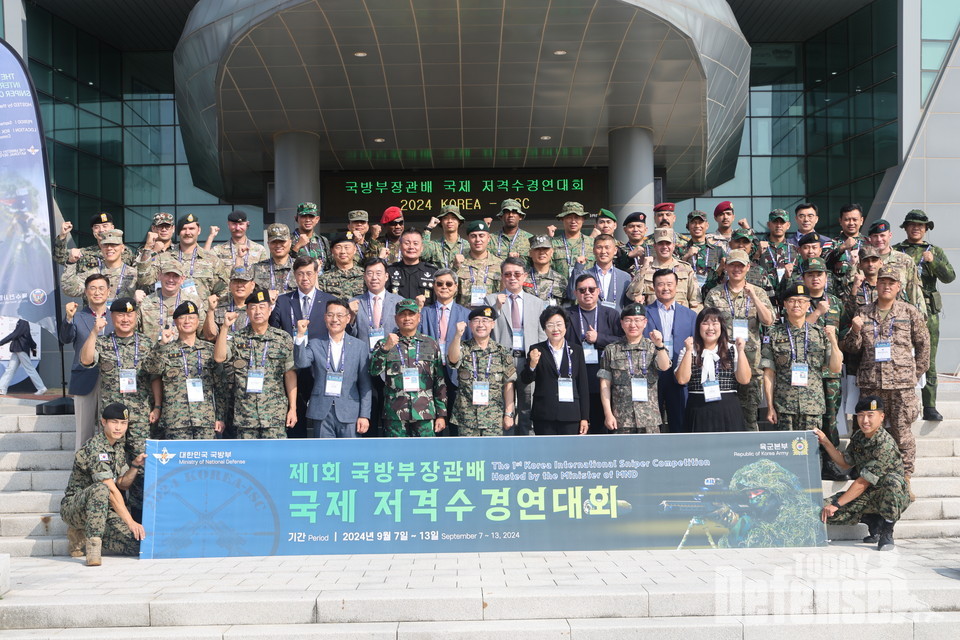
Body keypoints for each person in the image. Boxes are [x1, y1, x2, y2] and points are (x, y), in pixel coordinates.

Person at [841, 266, 930, 496]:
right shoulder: (863, 312)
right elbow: (851, 349)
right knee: (869, 432)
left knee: (902, 433)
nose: (887, 286)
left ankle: (905, 478)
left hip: (901, 386)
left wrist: (913, 374)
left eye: (891, 282)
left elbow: (923, 345)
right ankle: (869, 478)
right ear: (876, 285)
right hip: (872, 385)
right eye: (883, 282)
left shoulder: (909, 312)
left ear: (898, 287)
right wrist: (855, 330)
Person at [78, 297, 152, 513]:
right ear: (112, 317)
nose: (125, 318)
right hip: (113, 421)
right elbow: (85, 360)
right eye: (120, 314)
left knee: (141, 468)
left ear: (136, 316)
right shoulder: (103, 342)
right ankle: (115, 518)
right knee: (112, 467)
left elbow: (155, 378)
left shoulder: (147, 343)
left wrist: (156, 407)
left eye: (130, 314)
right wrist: (94, 332)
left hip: (140, 417)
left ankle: (139, 516)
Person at [816, 396, 910, 551]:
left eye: (870, 415)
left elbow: (863, 481)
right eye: (860, 415)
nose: (864, 420)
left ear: (881, 417)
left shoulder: (884, 444)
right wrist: (825, 441)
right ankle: (873, 519)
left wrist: (837, 504)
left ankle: (887, 530)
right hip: (867, 494)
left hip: (888, 495)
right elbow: (845, 462)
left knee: (892, 483)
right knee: (822, 512)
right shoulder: (859, 436)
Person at [60, 402, 145, 566]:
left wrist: (134, 465)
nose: (119, 427)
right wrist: (131, 522)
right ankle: (92, 548)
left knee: (138, 545)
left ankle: (83, 535)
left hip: (102, 511)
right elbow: (111, 490)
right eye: (114, 422)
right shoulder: (96, 447)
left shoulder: (118, 446)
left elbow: (122, 484)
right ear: (103, 422)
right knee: (101, 489)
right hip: (76, 508)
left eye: (123, 423)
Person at [762, 284, 842, 452]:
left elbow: (835, 367)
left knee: (811, 454)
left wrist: (833, 341)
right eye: (791, 301)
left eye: (801, 301)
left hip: (812, 406)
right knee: (785, 454)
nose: (796, 305)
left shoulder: (819, 333)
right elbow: (769, 373)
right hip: (784, 407)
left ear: (808, 305)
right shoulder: (774, 334)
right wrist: (770, 407)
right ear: (785, 304)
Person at [703, 249, 775, 431]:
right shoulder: (715, 293)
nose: (737, 269)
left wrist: (754, 298)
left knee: (749, 416)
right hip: (721, 362)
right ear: (726, 266)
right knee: (721, 412)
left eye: (741, 266)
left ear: (748, 267)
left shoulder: (757, 292)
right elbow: (705, 325)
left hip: (750, 363)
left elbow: (768, 320)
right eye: (733, 265)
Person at [893, 209, 955, 421]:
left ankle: (929, 405)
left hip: (927, 311)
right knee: (899, 356)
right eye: (912, 224)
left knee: (928, 356)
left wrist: (933, 262)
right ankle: (900, 403)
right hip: (900, 310)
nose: (916, 228)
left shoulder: (934, 251)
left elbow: (949, 277)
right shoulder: (897, 251)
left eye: (920, 225)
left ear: (926, 228)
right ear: (906, 227)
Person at [214, 288, 298, 439]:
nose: (257, 312)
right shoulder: (237, 338)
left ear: (270, 310)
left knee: (274, 459)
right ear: (247, 311)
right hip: (245, 416)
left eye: (262, 307)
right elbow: (220, 358)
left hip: (274, 415)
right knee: (247, 460)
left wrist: (293, 408)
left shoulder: (283, 338)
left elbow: (290, 374)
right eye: (253, 307)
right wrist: (225, 328)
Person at [143, 301, 224, 440]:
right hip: (176, 421)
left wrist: (220, 417)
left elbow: (220, 387)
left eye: (191, 317)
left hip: (205, 420)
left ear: (198, 321)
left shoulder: (210, 350)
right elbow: (151, 369)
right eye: (182, 317)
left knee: (204, 460)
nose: (187, 321)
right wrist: (162, 344)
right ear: (175, 321)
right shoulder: (165, 350)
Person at [368, 298, 447, 437]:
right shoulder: (384, 343)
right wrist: (386, 348)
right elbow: (374, 371)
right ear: (396, 318)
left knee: (425, 456)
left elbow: (439, 381)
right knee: (396, 456)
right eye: (402, 314)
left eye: (411, 314)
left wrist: (441, 414)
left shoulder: (430, 343)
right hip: (395, 413)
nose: (407, 318)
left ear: (418, 317)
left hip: (425, 412)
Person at [293, 299, 372, 438]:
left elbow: (365, 384)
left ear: (348, 318)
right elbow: (301, 363)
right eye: (330, 315)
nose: (335, 319)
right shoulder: (315, 343)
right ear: (325, 318)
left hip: (349, 411)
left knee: (350, 457)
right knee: (324, 457)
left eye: (339, 315)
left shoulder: (359, 346)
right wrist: (300, 336)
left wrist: (364, 415)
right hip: (322, 411)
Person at [486, 258, 546, 436]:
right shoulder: (490, 300)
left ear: (525, 276)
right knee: (504, 407)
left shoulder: (536, 302)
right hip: (502, 360)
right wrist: (497, 307)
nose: (512, 278)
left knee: (528, 405)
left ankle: (527, 447)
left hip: (528, 360)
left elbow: (542, 334)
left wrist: (538, 360)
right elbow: (484, 328)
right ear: (502, 277)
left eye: (517, 274)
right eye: (508, 274)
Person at [675, 307, 751, 432]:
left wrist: (741, 351)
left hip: (728, 408)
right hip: (698, 408)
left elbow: (744, 379)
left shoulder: (733, 349)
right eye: (705, 323)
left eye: (715, 323)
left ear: (721, 327)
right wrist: (689, 351)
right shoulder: (689, 350)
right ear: (698, 327)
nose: (710, 328)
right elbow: (682, 379)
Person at [598, 303, 671, 433]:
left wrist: (659, 344)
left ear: (645, 322)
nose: (633, 325)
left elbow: (664, 366)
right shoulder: (611, 349)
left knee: (652, 453)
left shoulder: (653, 347)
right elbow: (605, 384)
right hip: (621, 419)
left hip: (649, 418)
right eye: (628, 320)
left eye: (637, 320)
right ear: (621, 323)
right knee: (622, 454)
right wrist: (608, 414)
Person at [60, 275, 114, 448]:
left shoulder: (117, 316)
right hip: (84, 378)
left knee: (113, 430)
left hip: (113, 379)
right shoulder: (77, 316)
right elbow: (65, 338)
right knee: (84, 433)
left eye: (101, 288)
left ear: (108, 291)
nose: (97, 292)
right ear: (85, 292)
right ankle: (81, 473)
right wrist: (68, 318)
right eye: (92, 288)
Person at [565, 272, 623, 433]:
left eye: (591, 289)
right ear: (576, 293)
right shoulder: (567, 315)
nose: (587, 293)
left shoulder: (611, 314)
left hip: (603, 377)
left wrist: (599, 338)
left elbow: (622, 341)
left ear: (598, 291)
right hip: (576, 378)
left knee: (602, 427)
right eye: (582, 290)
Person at [447, 306, 518, 436]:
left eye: (485, 320)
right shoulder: (463, 347)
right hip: (466, 418)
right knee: (467, 456)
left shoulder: (501, 352)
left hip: (493, 418)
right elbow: (453, 359)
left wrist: (509, 413)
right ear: (470, 324)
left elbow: (509, 384)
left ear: (492, 324)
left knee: (493, 456)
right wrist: (457, 335)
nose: (481, 324)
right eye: (476, 320)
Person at [643, 269, 697, 432]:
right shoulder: (643, 314)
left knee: (680, 421)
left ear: (677, 286)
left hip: (679, 374)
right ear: (653, 287)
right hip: (652, 374)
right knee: (652, 423)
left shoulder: (689, 315)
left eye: (669, 284)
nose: (665, 288)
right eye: (660, 284)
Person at [521, 306, 589, 435]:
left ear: (565, 326)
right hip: (544, 414)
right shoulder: (536, 349)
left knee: (569, 453)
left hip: (571, 414)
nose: (555, 329)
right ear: (544, 328)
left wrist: (585, 417)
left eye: (559, 324)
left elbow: (583, 385)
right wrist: (532, 364)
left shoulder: (576, 350)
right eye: (550, 325)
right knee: (545, 453)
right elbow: (526, 379)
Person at [420, 268, 472, 435]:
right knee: (434, 424)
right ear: (434, 287)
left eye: (449, 284)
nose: (444, 287)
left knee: (457, 425)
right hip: (430, 375)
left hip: (456, 375)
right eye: (439, 283)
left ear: (456, 287)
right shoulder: (424, 313)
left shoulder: (466, 314)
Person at [801, 257, 844, 460]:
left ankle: (832, 461)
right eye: (810, 274)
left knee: (832, 419)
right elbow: (797, 331)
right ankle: (813, 461)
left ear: (826, 277)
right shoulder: (799, 301)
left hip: (831, 371)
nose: (815, 278)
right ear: (804, 278)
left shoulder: (835, 302)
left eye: (819, 274)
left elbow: (844, 333)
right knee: (812, 421)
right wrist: (817, 312)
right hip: (808, 373)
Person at [138, 213, 228, 302]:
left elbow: (224, 290)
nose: (188, 232)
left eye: (191, 228)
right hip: (169, 314)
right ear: (178, 232)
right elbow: (144, 280)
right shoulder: (163, 258)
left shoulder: (212, 260)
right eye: (184, 229)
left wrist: (213, 302)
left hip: (199, 314)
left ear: (199, 230)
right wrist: (148, 247)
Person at [626, 227, 702, 311]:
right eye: (661, 243)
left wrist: (692, 321)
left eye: (668, 243)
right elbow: (632, 295)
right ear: (655, 246)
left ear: (673, 246)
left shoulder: (686, 269)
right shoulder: (645, 269)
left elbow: (696, 301)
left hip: (681, 319)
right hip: (654, 318)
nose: (664, 247)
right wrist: (643, 269)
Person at [866, 219, 927, 317]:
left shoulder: (905, 261)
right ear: (870, 239)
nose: (879, 239)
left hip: (899, 320)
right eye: (875, 236)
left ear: (890, 235)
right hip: (870, 319)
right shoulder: (862, 262)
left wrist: (920, 319)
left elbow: (915, 293)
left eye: (882, 235)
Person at [60, 230, 138, 303]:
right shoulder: (91, 274)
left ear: (122, 248)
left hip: (124, 316)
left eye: (114, 245)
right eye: (105, 245)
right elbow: (70, 290)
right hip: (96, 316)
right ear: (101, 248)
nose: (109, 248)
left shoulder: (134, 274)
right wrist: (71, 263)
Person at [137, 260, 206, 342]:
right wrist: (135, 304)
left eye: (175, 276)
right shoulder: (145, 302)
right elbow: (133, 330)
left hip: (183, 352)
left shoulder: (194, 302)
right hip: (153, 352)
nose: (170, 280)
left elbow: (203, 333)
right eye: (167, 275)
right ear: (159, 276)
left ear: (182, 279)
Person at [568, 234, 631, 312]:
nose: (603, 251)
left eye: (607, 247)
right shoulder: (584, 274)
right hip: (591, 320)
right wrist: (577, 268)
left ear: (615, 251)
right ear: (594, 250)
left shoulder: (625, 277)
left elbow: (628, 306)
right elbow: (572, 295)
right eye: (599, 247)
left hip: (616, 322)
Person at [54, 212, 134, 269]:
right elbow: (60, 258)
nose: (101, 230)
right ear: (92, 230)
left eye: (105, 226)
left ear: (112, 228)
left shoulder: (125, 252)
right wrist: (62, 235)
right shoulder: (84, 253)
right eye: (96, 227)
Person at [455, 220, 502, 307]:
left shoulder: (499, 264)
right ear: (468, 239)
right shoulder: (459, 262)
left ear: (488, 238)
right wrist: (455, 268)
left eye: (481, 236)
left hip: (490, 316)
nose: (478, 240)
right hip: (465, 315)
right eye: (473, 236)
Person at [202, 265, 256, 341]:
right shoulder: (218, 305)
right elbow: (210, 337)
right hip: (224, 349)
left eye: (244, 281)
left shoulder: (259, 307)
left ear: (252, 285)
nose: (239, 285)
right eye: (236, 281)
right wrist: (210, 310)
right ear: (230, 285)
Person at [680, 210, 724, 295]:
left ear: (707, 225)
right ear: (687, 226)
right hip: (688, 294)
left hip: (712, 294)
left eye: (700, 222)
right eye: (693, 223)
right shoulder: (680, 250)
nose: (697, 226)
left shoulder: (718, 250)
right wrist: (686, 256)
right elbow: (675, 272)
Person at [388, 228, 438, 304]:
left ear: (422, 248)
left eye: (415, 243)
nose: (411, 247)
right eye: (407, 243)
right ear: (400, 247)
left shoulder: (432, 272)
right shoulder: (390, 271)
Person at [253, 223, 297, 300]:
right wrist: (265, 295)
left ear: (290, 242)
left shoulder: (299, 267)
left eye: (282, 241)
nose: (278, 245)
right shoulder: (256, 269)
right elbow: (248, 296)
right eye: (274, 242)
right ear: (268, 244)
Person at [0, 318, 44, 396]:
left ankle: (41, 388)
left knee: (29, 369)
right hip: (18, 349)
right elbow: (28, 337)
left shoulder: (22, 322)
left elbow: (14, 334)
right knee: (10, 369)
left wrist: (1, 342)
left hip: (20, 349)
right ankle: (2, 388)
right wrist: (33, 346)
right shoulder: (24, 322)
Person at [317, 231, 366, 300]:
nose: (343, 251)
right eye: (338, 247)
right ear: (332, 251)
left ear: (355, 250)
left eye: (347, 247)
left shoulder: (365, 276)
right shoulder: (324, 278)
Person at [550, 201, 594, 276]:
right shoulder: (552, 244)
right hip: (560, 287)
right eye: (569, 217)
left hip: (586, 287)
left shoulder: (592, 244)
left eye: (577, 217)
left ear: (583, 220)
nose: (573, 221)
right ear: (562, 219)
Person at [758, 209, 796, 287]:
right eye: (775, 222)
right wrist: (758, 254)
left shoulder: (794, 250)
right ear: (768, 225)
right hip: (765, 293)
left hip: (788, 294)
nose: (778, 225)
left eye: (782, 222)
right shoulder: (760, 247)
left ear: (788, 225)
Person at [527, 235, 568, 306]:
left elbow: (566, 305)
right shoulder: (523, 278)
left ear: (552, 252)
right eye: (537, 249)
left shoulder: (561, 280)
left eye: (545, 249)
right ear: (530, 253)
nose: (542, 252)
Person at [423, 203, 467, 269]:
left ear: (459, 221)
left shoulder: (467, 246)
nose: (449, 221)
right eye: (446, 218)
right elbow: (423, 254)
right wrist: (428, 229)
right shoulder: (435, 245)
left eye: (454, 218)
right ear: (441, 222)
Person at [291, 202, 330, 270]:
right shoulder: (288, 240)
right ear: (296, 218)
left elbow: (328, 265)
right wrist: (297, 246)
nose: (308, 220)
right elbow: (284, 264)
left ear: (317, 219)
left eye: (311, 216)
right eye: (303, 216)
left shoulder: (322, 240)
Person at [615, 211, 650, 276]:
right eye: (631, 226)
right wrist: (629, 257)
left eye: (639, 226)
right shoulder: (619, 250)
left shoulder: (653, 248)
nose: (635, 230)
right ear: (625, 230)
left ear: (645, 230)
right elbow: (616, 270)